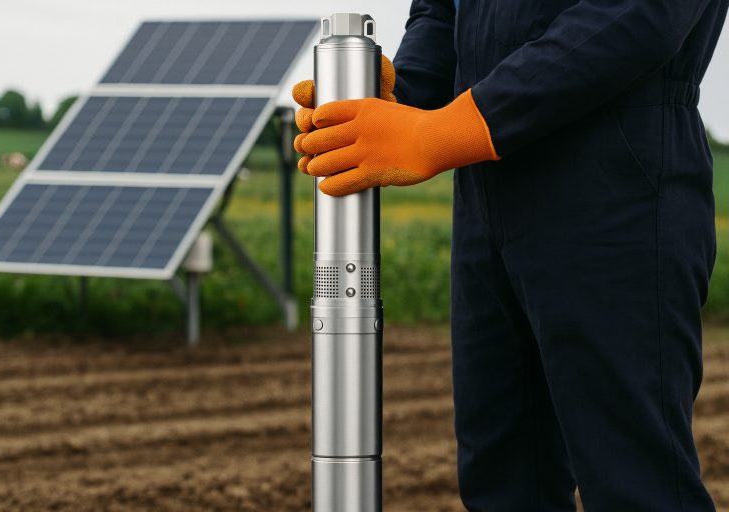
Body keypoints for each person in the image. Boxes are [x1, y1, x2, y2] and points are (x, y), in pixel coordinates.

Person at [293, 0, 728, 510]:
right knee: (504, 477)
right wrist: (402, 99)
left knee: (632, 480)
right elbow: (440, 12)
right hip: (486, 191)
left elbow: (640, 14)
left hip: (615, 181)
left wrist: (448, 130)